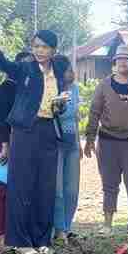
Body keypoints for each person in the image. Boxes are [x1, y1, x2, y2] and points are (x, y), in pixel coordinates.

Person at [0, 30, 68, 254]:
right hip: (25, 130)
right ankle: (20, 241)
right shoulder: (25, 68)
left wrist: (61, 104)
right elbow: (8, 66)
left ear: (53, 50)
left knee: (45, 187)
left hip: (48, 130)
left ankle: (42, 239)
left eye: (44, 47)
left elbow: (59, 108)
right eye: (36, 46)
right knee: (21, 186)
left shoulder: (58, 72)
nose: (39, 51)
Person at [83, 45, 128, 235]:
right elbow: (94, 112)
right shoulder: (104, 86)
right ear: (114, 62)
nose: (123, 62)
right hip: (108, 142)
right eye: (119, 59)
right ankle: (107, 224)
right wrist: (90, 138)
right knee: (109, 183)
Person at [0, 51, 33, 251]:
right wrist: (6, 145)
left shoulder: (29, 90)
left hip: (26, 144)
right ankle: (0, 235)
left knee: (23, 189)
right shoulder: (5, 89)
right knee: (2, 191)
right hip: (5, 144)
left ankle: (19, 233)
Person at [53, 56, 81, 242]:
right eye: (68, 70)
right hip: (56, 142)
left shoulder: (76, 89)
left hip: (72, 143)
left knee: (72, 189)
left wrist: (79, 143)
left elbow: (76, 118)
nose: (72, 73)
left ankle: (68, 225)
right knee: (58, 189)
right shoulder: (52, 89)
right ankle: (58, 228)